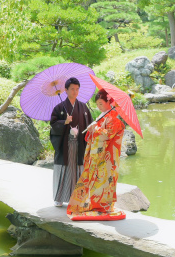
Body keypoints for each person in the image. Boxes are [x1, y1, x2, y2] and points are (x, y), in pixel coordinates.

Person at [67, 89, 126, 221]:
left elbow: (107, 136)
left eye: (101, 104)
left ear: (109, 102)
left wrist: (96, 128)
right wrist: (92, 129)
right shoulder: (104, 116)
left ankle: (104, 206)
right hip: (98, 155)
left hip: (108, 156)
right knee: (96, 179)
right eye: (97, 104)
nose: (99, 107)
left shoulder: (114, 119)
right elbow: (95, 135)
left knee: (105, 180)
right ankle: (94, 204)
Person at [49, 77, 92, 207]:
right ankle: (59, 198)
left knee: (79, 170)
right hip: (65, 145)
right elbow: (53, 124)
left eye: (77, 89)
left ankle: (79, 198)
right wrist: (64, 123)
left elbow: (89, 124)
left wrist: (89, 129)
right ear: (66, 90)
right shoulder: (59, 108)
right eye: (72, 89)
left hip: (79, 144)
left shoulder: (83, 107)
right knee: (64, 170)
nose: (75, 91)